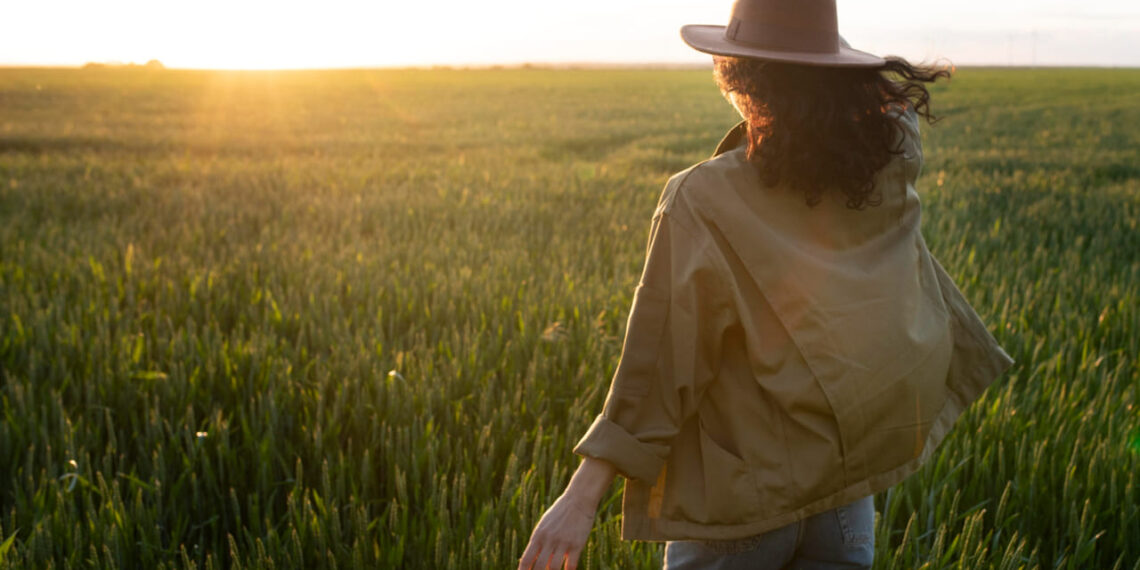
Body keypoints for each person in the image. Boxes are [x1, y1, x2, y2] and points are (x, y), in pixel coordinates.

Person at [518, 0, 1014, 568]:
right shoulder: (885, 164)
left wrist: (581, 500)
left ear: (738, 77)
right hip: (845, 499)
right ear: (832, 74)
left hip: (740, 508)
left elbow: (658, 365)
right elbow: (894, 114)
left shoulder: (702, 200)